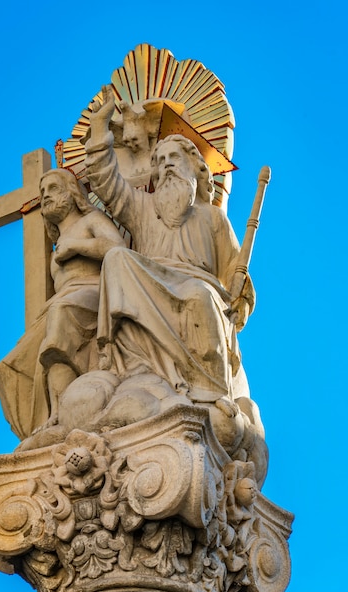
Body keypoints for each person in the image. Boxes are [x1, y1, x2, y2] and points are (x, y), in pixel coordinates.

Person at [84, 85, 254, 409]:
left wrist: (241, 294)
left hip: (198, 286)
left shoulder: (213, 218)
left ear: (195, 167)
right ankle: (136, 370)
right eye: (160, 161)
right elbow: (106, 182)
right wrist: (99, 129)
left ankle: (209, 389)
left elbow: (234, 269)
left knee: (199, 296)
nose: (166, 165)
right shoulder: (142, 207)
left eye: (174, 157)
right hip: (152, 283)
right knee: (117, 258)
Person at [0, 168, 125, 437]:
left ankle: (61, 414)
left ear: (73, 193)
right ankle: (36, 426)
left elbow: (117, 249)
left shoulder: (91, 220)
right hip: (60, 302)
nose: (46, 196)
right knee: (8, 368)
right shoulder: (55, 246)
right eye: (43, 192)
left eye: (53, 188)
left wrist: (78, 246)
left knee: (60, 312)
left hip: (93, 294)